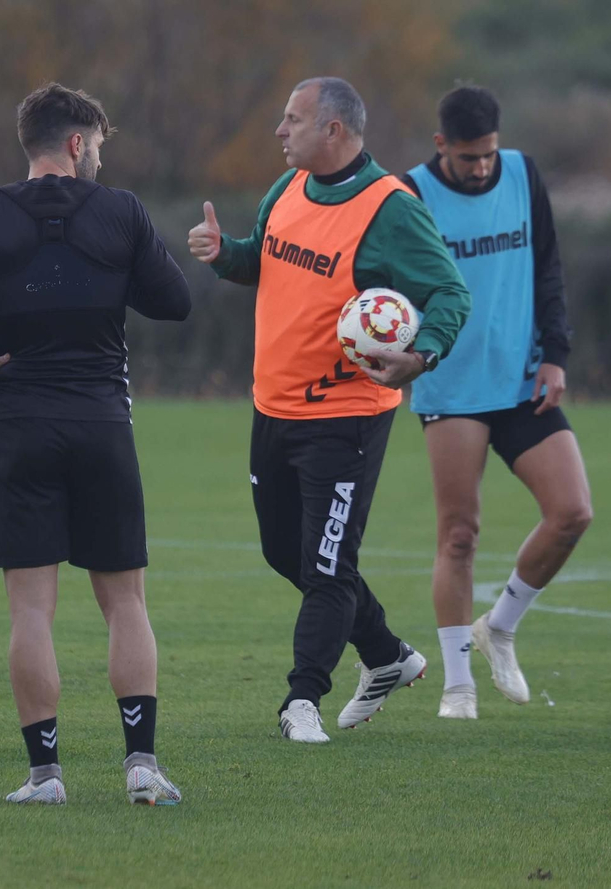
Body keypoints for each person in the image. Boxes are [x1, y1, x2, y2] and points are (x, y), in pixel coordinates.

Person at [0, 82, 191, 805]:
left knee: (31, 610)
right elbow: (174, 302)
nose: (100, 160)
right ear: (75, 143)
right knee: (125, 603)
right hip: (103, 425)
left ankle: (45, 776)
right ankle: (142, 766)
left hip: (21, 425)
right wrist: (111, 271)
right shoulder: (121, 211)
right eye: (98, 146)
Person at [187, 77, 471, 743]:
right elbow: (262, 261)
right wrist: (224, 254)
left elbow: (450, 293)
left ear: (333, 130)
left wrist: (421, 354)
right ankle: (387, 654)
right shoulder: (287, 187)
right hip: (273, 408)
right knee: (285, 551)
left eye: (293, 119)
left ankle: (302, 699)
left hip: (346, 417)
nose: (280, 131)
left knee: (326, 566)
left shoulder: (390, 209)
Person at [398, 86, 592, 720]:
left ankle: (500, 626)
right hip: (451, 387)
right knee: (459, 534)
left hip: (522, 380)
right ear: (440, 146)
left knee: (572, 512)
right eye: (467, 157)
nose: (481, 168)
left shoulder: (523, 174)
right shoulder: (410, 194)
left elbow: (549, 267)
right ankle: (458, 686)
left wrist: (556, 353)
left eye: (488, 154)